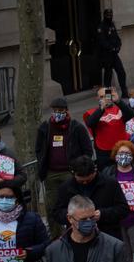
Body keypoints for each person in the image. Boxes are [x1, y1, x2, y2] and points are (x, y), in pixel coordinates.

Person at [35, 96, 94, 232]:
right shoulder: (45, 127)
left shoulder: (76, 127)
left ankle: (75, 230)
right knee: (52, 206)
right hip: (51, 173)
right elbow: (39, 149)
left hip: (71, 173)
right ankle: (55, 234)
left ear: (66, 111)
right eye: (55, 110)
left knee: (75, 204)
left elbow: (87, 150)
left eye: (60, 110)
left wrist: (79, 167)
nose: (57, 113)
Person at [53, 155, 130, 243]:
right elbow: (57, 213)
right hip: (77, 238)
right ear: (74, 174)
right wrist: (75, 216)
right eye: (81, 181)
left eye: (89, 180)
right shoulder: (65, 187)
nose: (85, 183)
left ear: (95, 171)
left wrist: (102, 214)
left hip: (107, 235)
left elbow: (123, 209)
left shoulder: (110, 184)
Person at [84, 85, 134, 168]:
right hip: (104, 154)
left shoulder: (118, 109)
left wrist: (118, 101)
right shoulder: (92, 112)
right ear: (97, 98)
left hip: (122, 150)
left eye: (106, 96)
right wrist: (101, 109)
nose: (105, 98)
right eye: (101, 97)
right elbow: (90, 123)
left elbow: (131, 114)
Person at [96, 9, 127, 96]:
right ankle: (108, 96)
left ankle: (124, 93)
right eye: (108, 15)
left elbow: (116, 37)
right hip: (106, 56)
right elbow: (102, 42)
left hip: (114, 55)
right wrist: (111, 48)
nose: (110, 17)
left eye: (111, 15)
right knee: (108, 77)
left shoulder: (112, 25)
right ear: (104, 15)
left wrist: (118, 46)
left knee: (121, 72)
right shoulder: (101, 27)